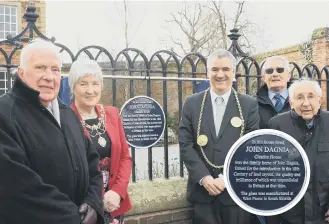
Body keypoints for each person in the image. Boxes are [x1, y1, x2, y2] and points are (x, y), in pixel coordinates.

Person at [0, 39, 104, 224]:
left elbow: (93, 165)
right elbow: (15, 188)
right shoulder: (5, 114)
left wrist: (93, 204)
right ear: (22, 74)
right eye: (40, 68)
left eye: (55, 69)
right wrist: (74, 218)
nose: (49, 76)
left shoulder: (67, 114)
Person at [179, 49, 260, 224]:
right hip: (202, 194)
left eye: (225, 69)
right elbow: (186, 145)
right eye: (215, 69)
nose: (220, 74)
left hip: (236, 193)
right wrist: (204, 178)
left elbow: (250, 147)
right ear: (207, 73)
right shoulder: (192, 103)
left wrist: (225, 180)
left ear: (233, 73)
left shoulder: (249, 104)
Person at [68, 59, 132, 224]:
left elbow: (125, 157)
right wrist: (98, 199)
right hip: (85, 207)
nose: (91, 90)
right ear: (73, 87)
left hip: (114, 204)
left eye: (95, 84)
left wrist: (117, 191)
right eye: (83, 84)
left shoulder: (112, 114)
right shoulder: (66, 119)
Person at [266, 78, 329, 224]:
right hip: (287, 214)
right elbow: (267, 171)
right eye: (299, 97)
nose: (306, 103)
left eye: (311, 96)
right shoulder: (275, 125)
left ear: (319, 100)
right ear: (291, 101)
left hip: (322, 213)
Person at [256, 56, 291, 128]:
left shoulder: (300, 101)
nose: (275, 74)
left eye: (280, 70)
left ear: (288, 75)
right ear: (263, 77)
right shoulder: (253, 104)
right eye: (269, 71)